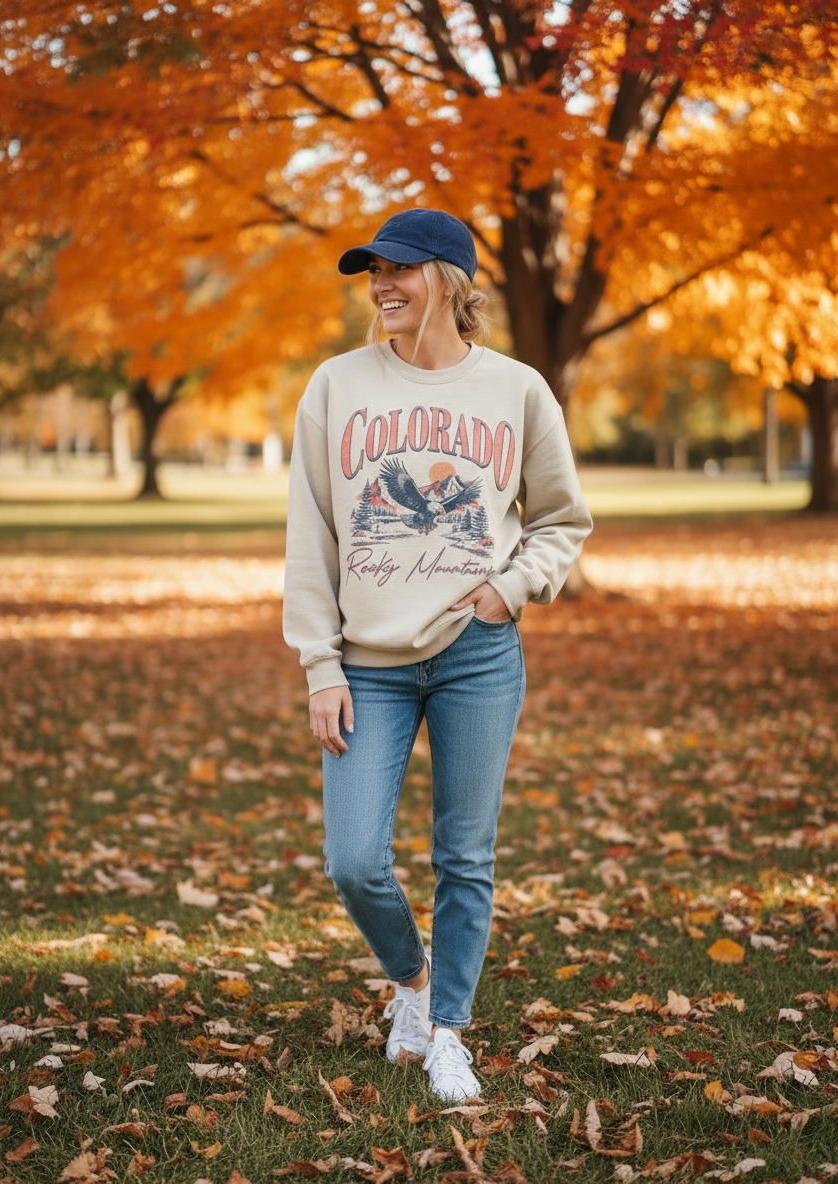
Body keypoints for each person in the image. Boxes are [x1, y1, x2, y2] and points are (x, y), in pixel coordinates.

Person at [283, 208, 592, 1101]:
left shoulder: (518, 390)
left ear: (450, 281)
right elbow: (311, 536)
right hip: (367, 663)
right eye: (372, 272)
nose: (380, 285)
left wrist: (513, 586)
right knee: (353, 860)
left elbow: (562, 519)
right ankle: (412, 983)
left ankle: (448, 1029)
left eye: (399, 269)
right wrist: (320, 665)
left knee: (465, 856)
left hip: (477, 654)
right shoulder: (336, 386)